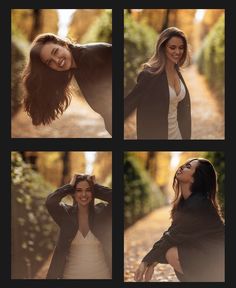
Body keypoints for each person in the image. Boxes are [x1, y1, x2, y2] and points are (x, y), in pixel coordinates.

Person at [134, 158, 225, 282]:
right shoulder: (187, 203)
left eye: (188, 167)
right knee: (172, 249)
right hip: (210, 255)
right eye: (183, 164)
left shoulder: (199, 203)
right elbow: (172, 232)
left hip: (219, 261)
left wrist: (148, 260)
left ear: (195, 178)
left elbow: (173, 236)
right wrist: (152, 259)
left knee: (172, 252)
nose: (181, 167)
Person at [22, 33, 112, 135]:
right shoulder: (78, 63)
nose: (57, 60)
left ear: (63, 44)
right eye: (49, 62)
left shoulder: (88, 58)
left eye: (55, 51)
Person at [124, 27, 191, 139]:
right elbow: (129, 104)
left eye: (181, 48)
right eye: (172, 47)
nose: (177, 52)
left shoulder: (178, 73)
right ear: (163, 48)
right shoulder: (148, 76)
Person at [45, 174, 112, 279]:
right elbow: (50, 202)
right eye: (79, 190)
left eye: (88, 190)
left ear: (93, 192)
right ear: (74, 193)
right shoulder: (66, 214)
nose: (84, 194)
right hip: (70, 276)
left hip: (102, 276)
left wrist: (96, 186)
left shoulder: (102, 212)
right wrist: (70, 186)